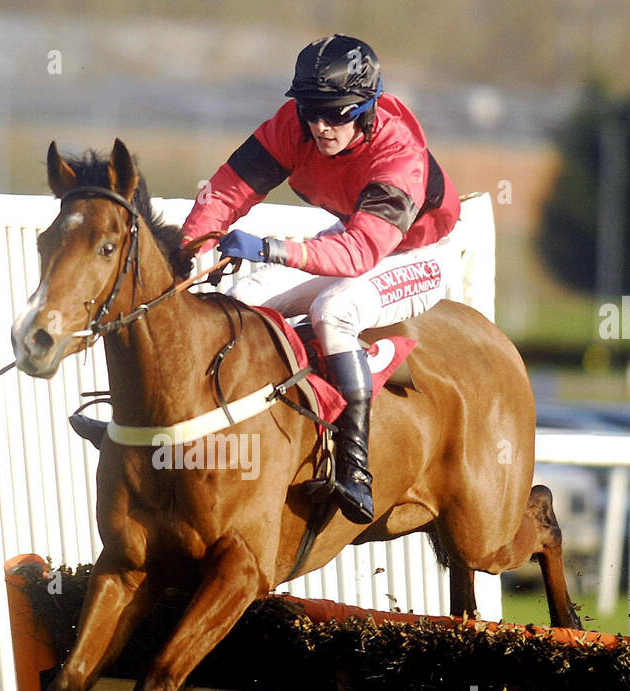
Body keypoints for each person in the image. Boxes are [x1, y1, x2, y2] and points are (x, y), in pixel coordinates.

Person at [179, 34, 462, 525]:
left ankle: (355, 464)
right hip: (361, 230)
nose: (321, 125)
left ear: (369, 106)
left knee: (334, 309)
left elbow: (358, 254)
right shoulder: (294, 126)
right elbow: (226, 190)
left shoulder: (400, 156)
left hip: (419, 250)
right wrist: (195, 247)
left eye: (337, 113)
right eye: (312, 110)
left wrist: (269, 248)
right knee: (244, 296)